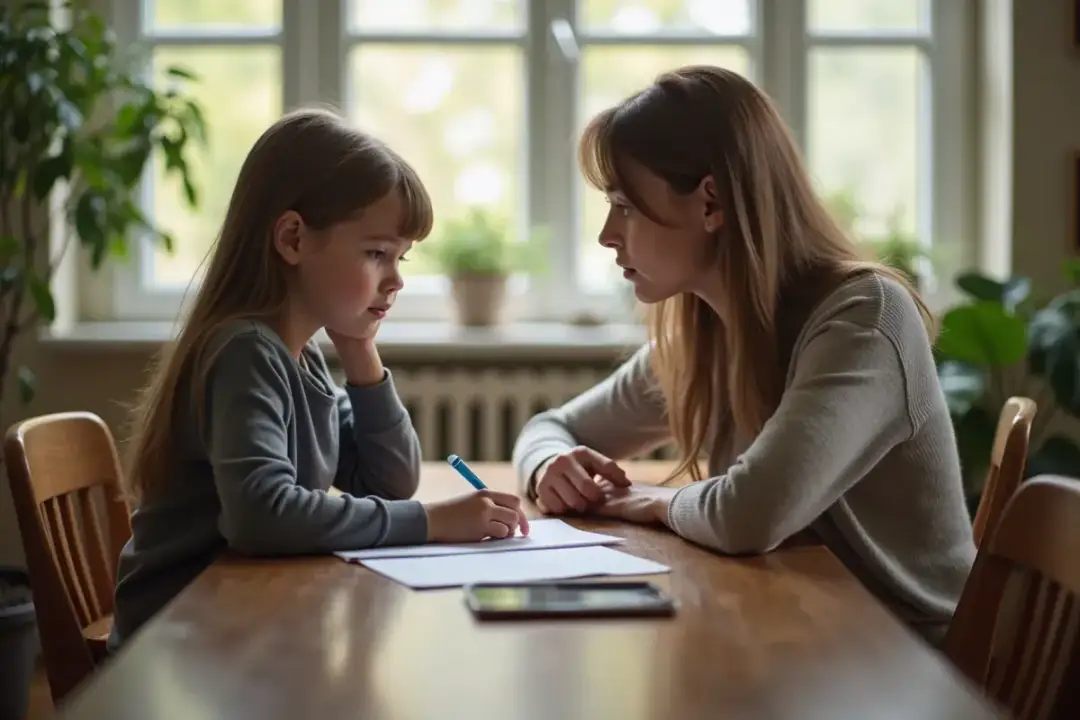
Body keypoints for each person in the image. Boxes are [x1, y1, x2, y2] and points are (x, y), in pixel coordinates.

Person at [511, 66, 975, 643]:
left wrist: (649, 502)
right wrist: (550, 466)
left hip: (907, 655)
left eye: (625, 205)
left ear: (711, 202)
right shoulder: (705, 331)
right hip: (802, 631)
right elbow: (551, 427)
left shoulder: (864, 319)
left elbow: (750, 515)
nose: (607, 234)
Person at [110, 108, 528, 650]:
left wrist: (360, 350)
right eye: (376, 253)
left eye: (401, 258)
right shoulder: (245, 352)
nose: (396, 280)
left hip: (236, 624)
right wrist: (431, 522)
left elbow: (388, 480)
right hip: (177, 641)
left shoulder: (298, 355)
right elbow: (262, 517)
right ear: (293, 239)